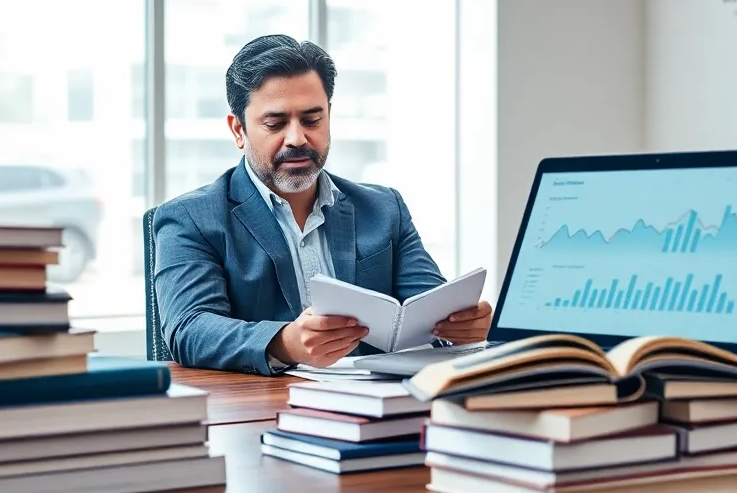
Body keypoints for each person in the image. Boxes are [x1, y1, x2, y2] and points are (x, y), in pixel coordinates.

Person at [152, 35, 493, 375]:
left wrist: (462, 327)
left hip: (376, 405)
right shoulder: (189, 219)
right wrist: (284, 343)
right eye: (275, 123)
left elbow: (429, 309)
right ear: (238, 129)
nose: (297, 138)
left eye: (312, 120)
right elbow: (189, 329)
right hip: (262, 407)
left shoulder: (384, 208)